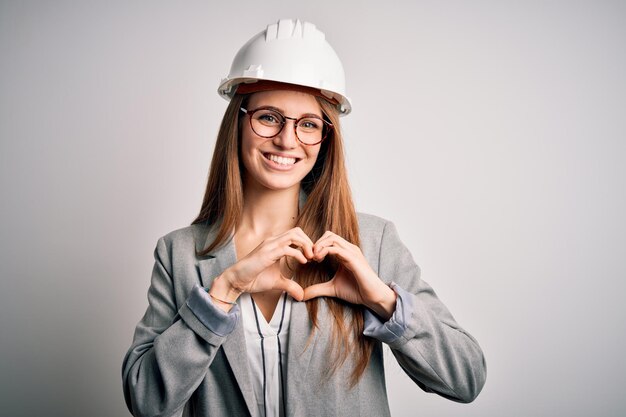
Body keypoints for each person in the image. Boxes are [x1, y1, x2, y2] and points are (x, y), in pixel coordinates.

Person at [122, 18, 486, 417]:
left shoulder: (372, 242)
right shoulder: (180, 254)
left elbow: (465, 378)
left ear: (325, 138)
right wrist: (222, 293)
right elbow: (146, 401)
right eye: (268, 117)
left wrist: (381, 300)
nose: (287, 139)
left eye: (308, 124)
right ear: (238, 122)